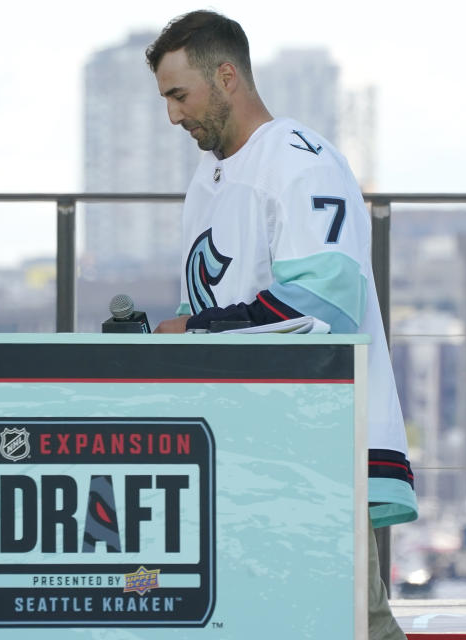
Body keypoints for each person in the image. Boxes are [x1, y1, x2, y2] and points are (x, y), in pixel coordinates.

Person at [146, 10, 417, 639]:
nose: (173, 116)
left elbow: (322, 308)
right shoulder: (207, 178)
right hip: (244, 446)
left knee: (353, 624)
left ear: (227, 76)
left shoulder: (302, 161)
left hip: (313, 447)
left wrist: (192, 332)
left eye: (179, 96)